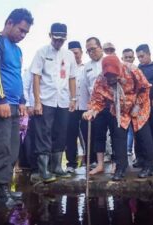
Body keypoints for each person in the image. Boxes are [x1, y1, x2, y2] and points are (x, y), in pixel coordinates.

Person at [0, 8, 34, 208]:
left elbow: (17, 76)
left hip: (12, 105)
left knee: (11, 149)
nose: (23, 35)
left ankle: (2, 189)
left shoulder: (18, 50)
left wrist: (21, 100)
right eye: (21, 30)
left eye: (26, 33)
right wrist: (0, 99)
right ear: (9, 22)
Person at [83, 55, 153, 180]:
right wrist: (92, 111)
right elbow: (97, 100)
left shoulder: (132, 69)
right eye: (109, 77)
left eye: (114, 76)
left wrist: (136, 106)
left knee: (143, 135)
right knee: (118, 137)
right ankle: (121, 167)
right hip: (119, 108)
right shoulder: (101, 79)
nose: (111, 79)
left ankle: (149, 167)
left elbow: (144, 88)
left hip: (139, 105)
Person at [31, 23, 77, 182]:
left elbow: (72, 77)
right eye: (56, 39)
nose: (58, 42)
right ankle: (43, 169)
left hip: (63, 100)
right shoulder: (41, 52)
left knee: (61, 132)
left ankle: (57, 166)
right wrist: (37, 101)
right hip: (46, 99)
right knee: (44, 133)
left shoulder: (69, 55)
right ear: (50, 35)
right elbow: (35, 76)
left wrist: (73, 98)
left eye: (62, 40)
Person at [82, 37, 109, 175]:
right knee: (99, 134)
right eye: (88, 51)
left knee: (116, 134)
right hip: (96, 106)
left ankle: (117, 163)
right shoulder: (87, 67)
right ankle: (100, 164)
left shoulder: (109, 61)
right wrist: (89, 109)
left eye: (93, 49)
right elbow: (86, 89)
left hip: (111, 103)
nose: (91, 52)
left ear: (100, 47)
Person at [136, 44, 153, 168]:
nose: (140, 59)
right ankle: (140, 157)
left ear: (149, 54)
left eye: (142, 56)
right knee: (140, 133)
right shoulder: (137, 69)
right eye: (138, 57)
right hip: (140, 106)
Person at [65, 41, 89, 173]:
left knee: (87, 133)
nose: (74, 56)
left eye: (76, 53)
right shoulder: (65, 68)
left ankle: (90, 161)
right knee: (70, 134)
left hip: (86, 105)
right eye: (71, 53)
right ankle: (71, 163)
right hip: (70, 106)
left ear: (81, 52)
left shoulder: (87, 67)